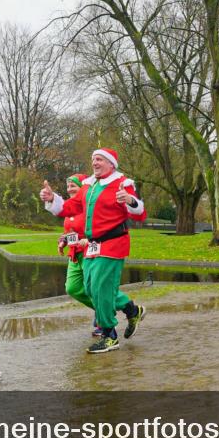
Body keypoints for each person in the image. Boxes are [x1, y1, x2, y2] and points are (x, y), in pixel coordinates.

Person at [40, 148, 147, 353]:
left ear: (111, 164)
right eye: (93, 159)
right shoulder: (89, 185)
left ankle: (109, 335)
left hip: (113, 243)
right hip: (92, 244)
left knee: (100, 288)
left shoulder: (122, 183)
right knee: (89, 289)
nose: (94, 163)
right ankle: (131, 311)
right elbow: (71, 207)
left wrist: (130, 201)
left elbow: (139, 213)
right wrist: (52, 198)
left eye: (99, 159)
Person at [58, 173, 104, 337]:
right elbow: (69, 232)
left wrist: (88, 239)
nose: (69, 189)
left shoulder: (89, 207)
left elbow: (100, 230)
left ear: (83, 188)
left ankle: (106, 319)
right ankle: (102, 310)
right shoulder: (68, 208)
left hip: (89, 253)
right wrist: (63, 241)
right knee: (72, 288)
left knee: (93, 289)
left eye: (73, 186)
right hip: (74, 255)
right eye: (68, 186)